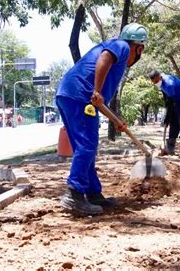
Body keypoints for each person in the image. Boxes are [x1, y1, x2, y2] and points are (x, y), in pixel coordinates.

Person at [55, 23, 148, 215]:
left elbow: (100, 102)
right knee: (87, 145)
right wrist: (96, 89)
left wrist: (116, 120)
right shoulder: (121, 46)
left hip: (71, 94)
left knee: (86, 146)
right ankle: (74, 195)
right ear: (138, 48)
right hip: (79, 96)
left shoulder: (118, 60)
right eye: (141, 51)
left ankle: (93, 193)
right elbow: (104, 58)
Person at [149, 70, 180, 154]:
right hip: (173, 98)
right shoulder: (160, 82)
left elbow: (170, 103)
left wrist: (167, 116)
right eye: (153, 82)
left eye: (156, 81)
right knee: (173, 121)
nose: (155, 83)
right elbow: (166, 98)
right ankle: (171, 147)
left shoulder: (169, 84)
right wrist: (167, 116)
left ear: (159, 77)